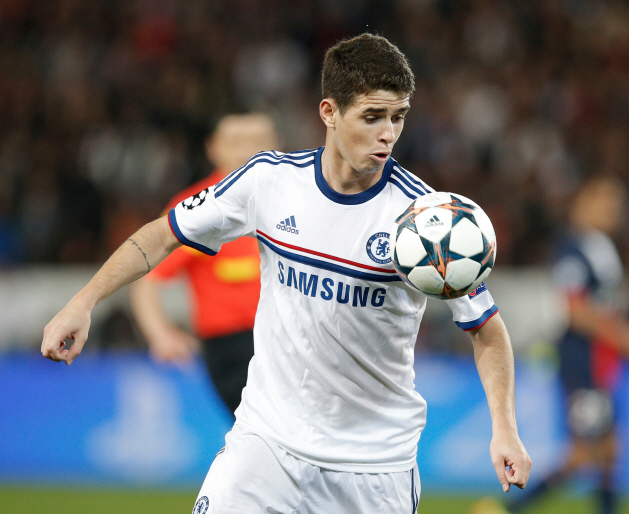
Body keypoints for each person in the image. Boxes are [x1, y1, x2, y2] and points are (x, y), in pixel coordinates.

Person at [42, 34, 531, 513]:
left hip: (372, 467)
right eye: (372, 116)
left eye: (398, 117)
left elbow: (485, 328)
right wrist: (83, 302)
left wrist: (505, 429)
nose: (388, 133)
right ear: (329, 112)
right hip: (265, 445)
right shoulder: (269, 181)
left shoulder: (425, 221)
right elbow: (161, 235)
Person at [476, 175, 629, 514]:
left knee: (609, 450)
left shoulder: (600, 246)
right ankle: (508, 509)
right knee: (587, 452)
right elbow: (575, 307)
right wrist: (624, 335)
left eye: (617, 200)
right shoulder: (573, 247)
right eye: (605, 199)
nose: (614, 208)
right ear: (582, 202)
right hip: (581, 360)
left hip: (602, 361)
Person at [129, 113, 278, 416]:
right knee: (266, 431)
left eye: (258, 141)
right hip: (235, 349)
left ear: (277, 145)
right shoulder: (196, 208)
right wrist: (160, 334)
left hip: (293, 337)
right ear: (213, 148)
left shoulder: (298, 199)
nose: (247, 151)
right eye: (235, 142)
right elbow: (147, 277)